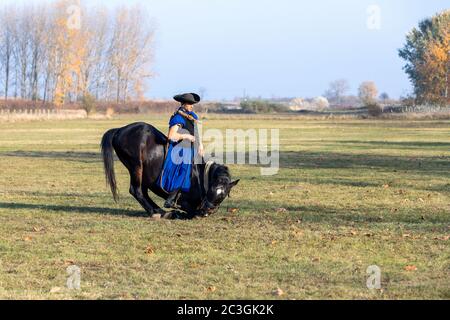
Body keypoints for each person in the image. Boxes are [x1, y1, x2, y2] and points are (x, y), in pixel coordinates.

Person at [159, 93, 204, 208]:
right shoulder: (178, 117)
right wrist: (186, 137)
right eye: (190, 104)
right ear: (183, 104)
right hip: (180, 149)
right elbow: (171, 135)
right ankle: (171, 198)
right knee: (184, 170)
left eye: (192, 104)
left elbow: (197, 133)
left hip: (192, 148)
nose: (192, 106)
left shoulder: (193, 116)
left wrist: (200, 145)